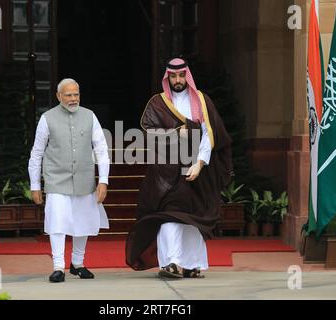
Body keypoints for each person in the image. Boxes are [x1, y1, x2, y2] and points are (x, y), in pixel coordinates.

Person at [125, 58, 233, 278]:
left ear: (187, 76)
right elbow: (148, 131)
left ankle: (193, 265)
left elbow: (209, 136)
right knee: (170, 215)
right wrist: (175, 133)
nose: (177, 80)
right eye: (173, 76)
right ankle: (171, 263)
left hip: (196, 171)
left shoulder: (202, 101)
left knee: (194, 218)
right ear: (167, 77)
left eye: (181, 75)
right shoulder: (157, 102)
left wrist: (200, 164)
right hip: (166, 174)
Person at [28, 78, 110, 283]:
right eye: (68, 95)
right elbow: (36, 153)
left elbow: (101, 149)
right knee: (57, 222)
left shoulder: (90, 116)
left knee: (83, 222)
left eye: (76, 94)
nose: (73, 99)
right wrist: (35, 185)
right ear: (58, 96)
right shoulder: (47, 118)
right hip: (56, 179)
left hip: (84, 179)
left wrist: (104, 180)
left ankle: (77, 264)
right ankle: (58, 267)